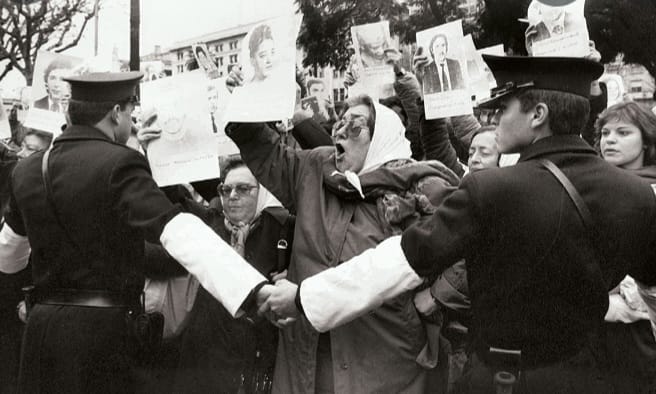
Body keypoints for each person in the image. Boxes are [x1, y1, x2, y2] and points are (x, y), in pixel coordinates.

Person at [264, 55, 656, 393]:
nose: (495, 118)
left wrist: (303, 298)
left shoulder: (490, 188)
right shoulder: (638, 195)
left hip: (506, 380)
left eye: (505, 109)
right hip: (608, 376)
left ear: (538, 115)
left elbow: (399, 263)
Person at [0, 71, 274, 393]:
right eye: (130, 113)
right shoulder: (120, 162)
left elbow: (9, 256)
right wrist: (250, 287)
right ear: (116, 113)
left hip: (42, 332)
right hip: (102, 338)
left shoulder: (27, 169)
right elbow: (175, 230)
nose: (131, 122)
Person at [225, 64, 462, 392]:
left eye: (354, 127)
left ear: (380, 138)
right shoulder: (314, 169)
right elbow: (265, 151)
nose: (338, 133)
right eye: (338, 124)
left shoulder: (422, 189)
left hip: (384, 361)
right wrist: (249, 96)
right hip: (306, 359)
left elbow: (466, 251)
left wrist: (435, 297)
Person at [169, 157, 294, 394]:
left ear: (262, 193)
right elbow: (171, 195)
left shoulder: (282, 229)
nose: (232, 195)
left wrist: (293, 275)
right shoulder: (210, 223)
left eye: (243, 189)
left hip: (257, 356)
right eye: (226, 189)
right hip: (207, 352)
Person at [595, 101, 656, 392]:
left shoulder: (651, 191)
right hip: (595, 328)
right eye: (605, 133)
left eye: (622, 132)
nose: (610, 140)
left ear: (646, 140)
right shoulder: (594, 185)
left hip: (640, 330)